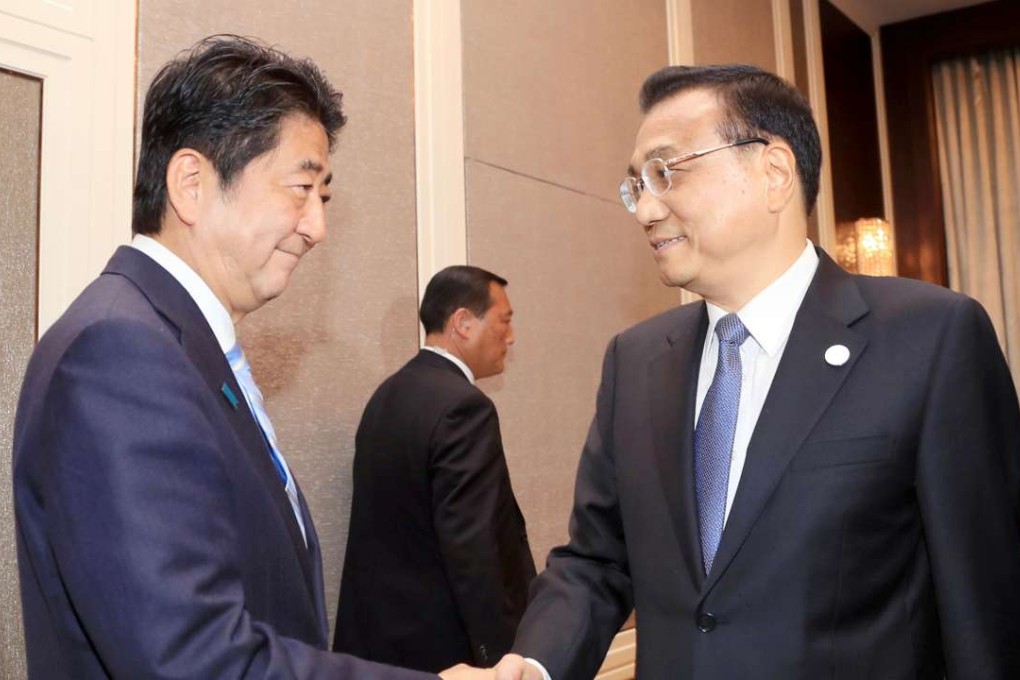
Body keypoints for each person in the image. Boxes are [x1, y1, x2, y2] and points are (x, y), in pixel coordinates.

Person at [493, 64, 1020, 679]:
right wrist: (534, 662)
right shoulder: (634, 361)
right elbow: (597, 559)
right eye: (636, 184)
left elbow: (984, 599)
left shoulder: (929, 338)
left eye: (665, 172)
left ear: (772, 173)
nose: (645, 209)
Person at [12, 35, 469, 679]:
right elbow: (191, 658)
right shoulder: (120, 353)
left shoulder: (179, 343)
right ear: (192, 184)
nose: (317, 227)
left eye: (325, 197)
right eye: (301, 188)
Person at [334, 265, 536, 672]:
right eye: (505, 321)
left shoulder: (387, 395)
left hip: (379, 647)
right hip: (444, 653)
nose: (511, 337)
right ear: (462, 322)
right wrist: (500, 658)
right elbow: (476, 551)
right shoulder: (465, 407)